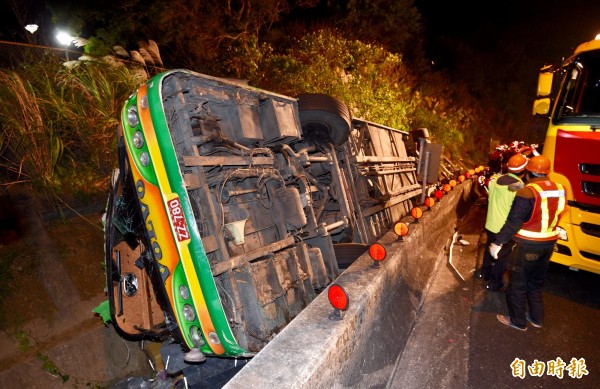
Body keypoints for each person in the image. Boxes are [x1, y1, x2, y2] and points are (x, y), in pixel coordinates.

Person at [490, 155, 566, 331]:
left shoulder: (527, 192)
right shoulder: (560, 189)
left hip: (526, 245)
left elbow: (513, 222)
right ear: (548, 172)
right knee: (536, 284)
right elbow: (558, 212)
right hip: (548, 244)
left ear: (529, 172)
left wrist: (498, 243)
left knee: (517, 284)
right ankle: (537, 318)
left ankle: (518, 321)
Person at [480, 153, 528, 292]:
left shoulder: (496, 179)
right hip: (504, 229)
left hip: (490, 223)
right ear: (524, 171)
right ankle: (495, 284)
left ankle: (484, 273)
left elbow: (489, 192)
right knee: (502, 258)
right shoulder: (519, 187)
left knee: (489, 249)